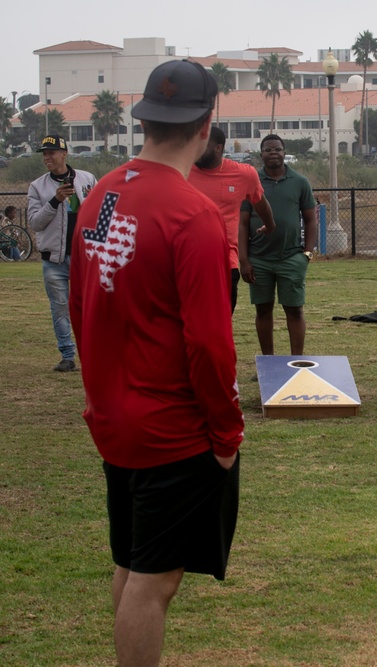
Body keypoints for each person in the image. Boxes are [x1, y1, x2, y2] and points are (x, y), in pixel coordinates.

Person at [69, 60, 244, 667]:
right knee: (156, 579)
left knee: (132, 561)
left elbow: (80, 303)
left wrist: (101, 398)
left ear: (144, 118)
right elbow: (210, 343)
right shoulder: (192, 214)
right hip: (171, 428)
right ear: (206, 124)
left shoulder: (100, 195)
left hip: (116, 418)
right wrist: (226, 434)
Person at [239, 134, 317, 355]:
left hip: (291, 257)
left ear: (284, 153)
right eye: (268, 150)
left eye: (277, 149)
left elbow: (311, 220)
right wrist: (244, 260)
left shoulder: (300, 182)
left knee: (294, 311)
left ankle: (296, 363)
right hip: (259, 260)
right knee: (263, 311)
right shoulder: (251, 182)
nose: (273, 153)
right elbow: (243, 224)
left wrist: (307, 254)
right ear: (261, 154)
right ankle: (268, 364)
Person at [27, 134, 97, 371]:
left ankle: (92, 354)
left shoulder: (87, 179)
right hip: (53, 261)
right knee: (60, 309)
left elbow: (102, 214)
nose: (47, 157)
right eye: (44, 153)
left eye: (51, 152)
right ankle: (67, 356)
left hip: (84, 259)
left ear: (64, 153)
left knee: (90, 308)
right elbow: (35, 222)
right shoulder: (38, 186)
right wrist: (55, 201)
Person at [188, 126, 275, 313]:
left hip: (224, 262)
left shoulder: (244, 174)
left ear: (219, 148)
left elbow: (260, 203)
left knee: (221, 321)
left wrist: (269, 225)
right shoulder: (181, 172)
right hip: (187, 261)